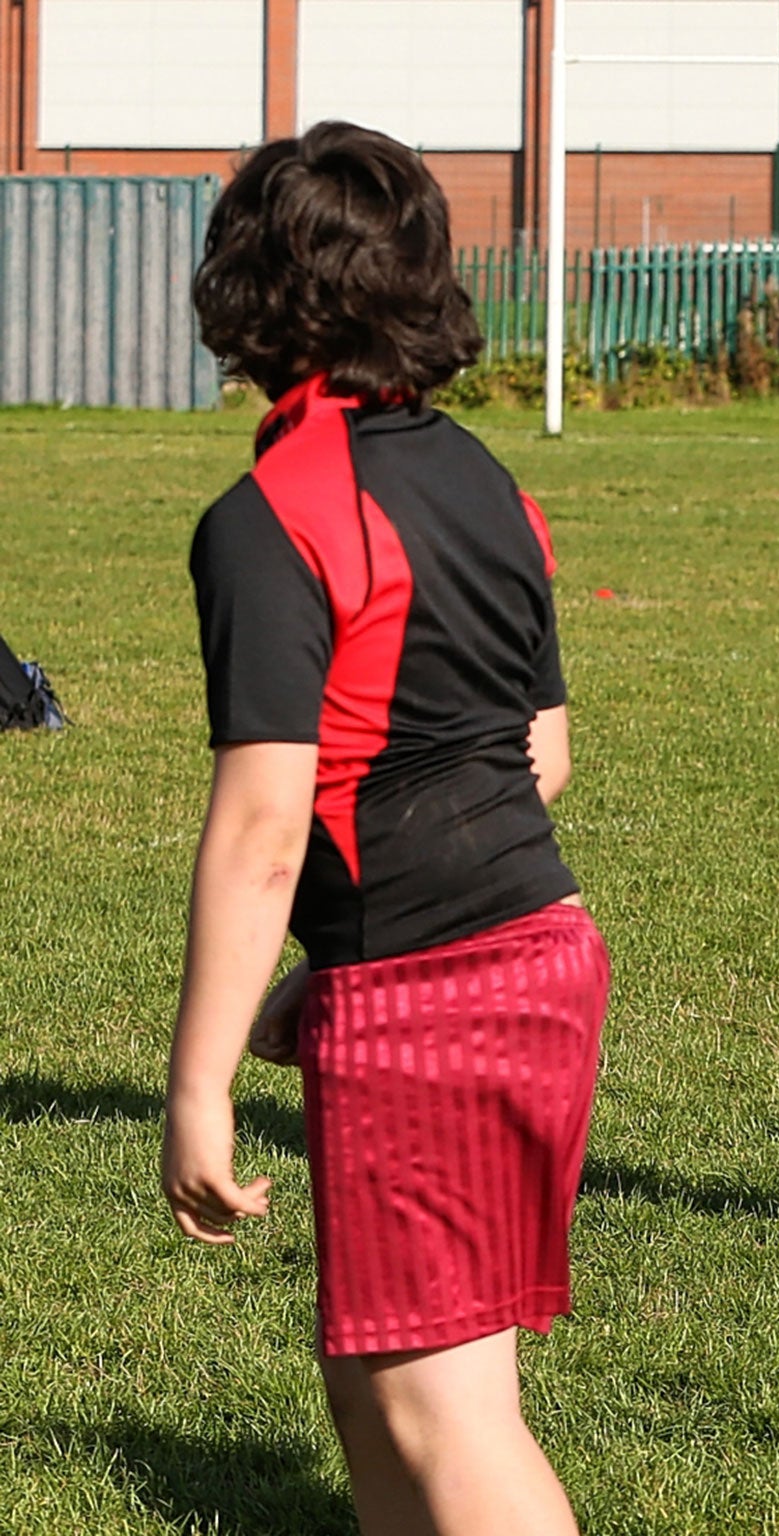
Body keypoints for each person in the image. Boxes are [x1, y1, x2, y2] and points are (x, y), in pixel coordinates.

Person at [160, 122, 607, 1536]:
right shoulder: (488, 479)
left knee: (444, 1413)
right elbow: (540, 757)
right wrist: (338, 961)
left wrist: (199, 1081)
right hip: (530, 949)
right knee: (373, 1383)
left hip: (444, 996)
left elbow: (261, 828)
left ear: (249, 284)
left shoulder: (267, 512)